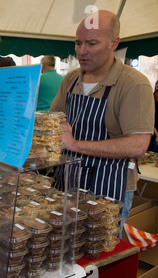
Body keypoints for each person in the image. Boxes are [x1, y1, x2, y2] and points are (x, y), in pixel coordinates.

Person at [50, 10, 154, 231]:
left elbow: (138, 145)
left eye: (92, 43)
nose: (82, 51)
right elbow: (53, 121)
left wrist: (74, 144)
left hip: (108, 189)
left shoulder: (133, 84)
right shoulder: (71, 79)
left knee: (96, 258)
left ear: (113, 43)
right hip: (66, 184)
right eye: (78, 43)